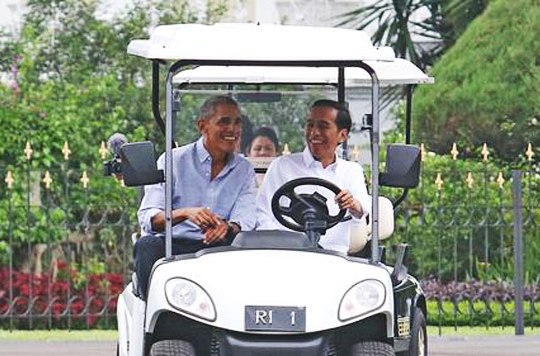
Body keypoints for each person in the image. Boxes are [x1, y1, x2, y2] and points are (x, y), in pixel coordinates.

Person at [135, 95, 257, 299]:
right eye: (224, 122)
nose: (233, 130)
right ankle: (154, 317)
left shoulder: (243, 169)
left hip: (219, 246)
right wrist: (185, 213)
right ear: (202, 125)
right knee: (146, 246)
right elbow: (149, 217)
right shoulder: (172, 160)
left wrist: (227, 227)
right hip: (173, 244)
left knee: (252, 251)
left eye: (237, 122)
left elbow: (245, 218)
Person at [256, 99, 370, 254]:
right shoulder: (282, 165)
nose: (314, 133)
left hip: (332, 257)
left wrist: (352, 204)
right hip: (285, 254)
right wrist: (277, 246)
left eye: (323, 126)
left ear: (342, 135)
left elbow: (362, 207)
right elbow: (263, 213)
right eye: (310, 125)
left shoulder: (351, 170)